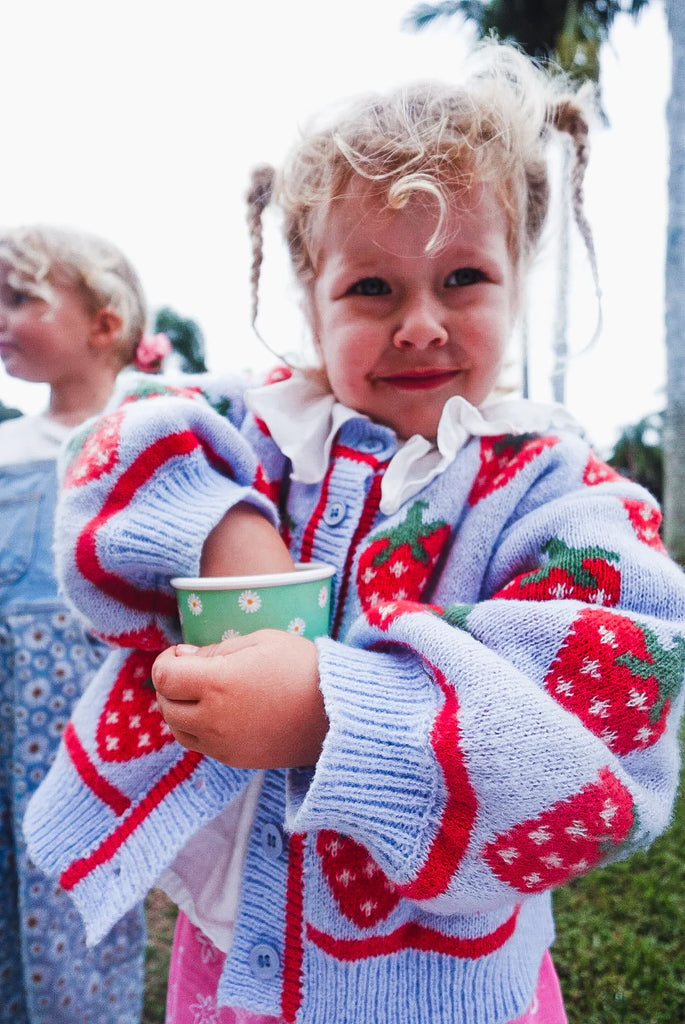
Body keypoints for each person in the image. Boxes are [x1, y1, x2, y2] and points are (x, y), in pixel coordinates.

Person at [24, 45, 685, 1024]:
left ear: (515, 281)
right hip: (232, 966)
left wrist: (331, 714)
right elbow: (112, 452)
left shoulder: (555, 489)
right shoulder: (259, 430)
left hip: (450, 990)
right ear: (309, 296)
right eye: (370, 288)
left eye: (462, 276)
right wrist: (229, 533)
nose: (418, 322)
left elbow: (613, 724)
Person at [0, 225, 169, 1023]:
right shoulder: (4, 449)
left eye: (21, 299)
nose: (0, 317)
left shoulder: (145, 431)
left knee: (75, 887)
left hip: (88, 718)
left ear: (105, 323)